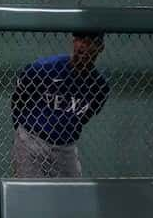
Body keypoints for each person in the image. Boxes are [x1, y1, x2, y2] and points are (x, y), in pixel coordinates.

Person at [11, 32, 110, 178]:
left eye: (89, 42)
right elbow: (18, 99)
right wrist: (22, 131)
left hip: (65, 148)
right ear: (74, 41)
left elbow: (84, 117)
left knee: (73, 193)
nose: (82, 46)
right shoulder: (45, 68)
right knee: (29, 194)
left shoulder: (99, 86)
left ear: (100, 47)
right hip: (32, 140)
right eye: (79, 40)